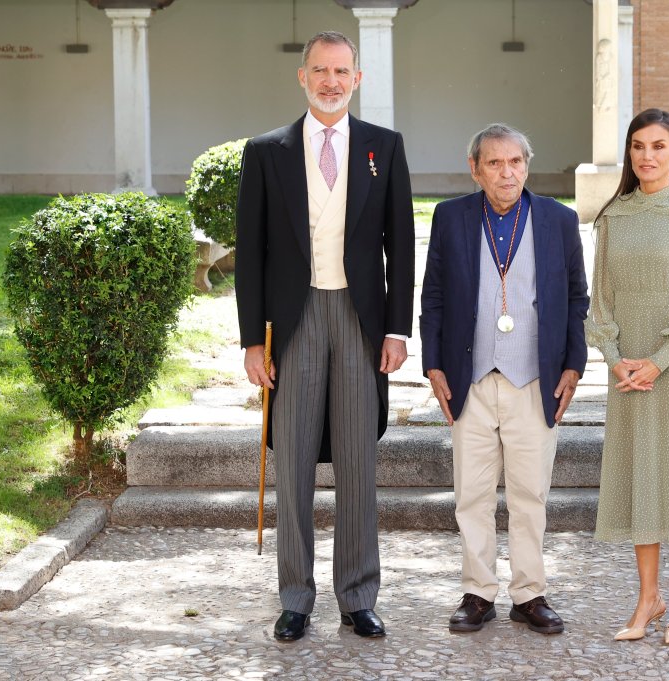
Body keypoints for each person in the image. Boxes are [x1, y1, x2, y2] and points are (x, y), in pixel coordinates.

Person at [235, 31, 415, 642]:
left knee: (359, 460)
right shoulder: (267, 152)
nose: (331, 80)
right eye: (320, 70)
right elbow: (252, 253)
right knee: (292, 460)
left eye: (342, 70)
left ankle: (358, 596)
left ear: (356, 79)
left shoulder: (383, 148)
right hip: (296, 317)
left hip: (362, 320)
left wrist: (396, 327)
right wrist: (252, 344)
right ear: (302, 77)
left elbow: (401, 244)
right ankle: (295, 598)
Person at [420, 124, 589, 635]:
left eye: (515, 161)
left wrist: (574, 366)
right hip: (469, 376)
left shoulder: (559, 220)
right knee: (471, 492)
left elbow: (577, 299)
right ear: (475, 169)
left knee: (529, 492)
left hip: (534, 378)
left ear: (527, 166)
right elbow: (433, 297)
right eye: (494, 163)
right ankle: (477, 592)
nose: (507, 172)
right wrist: (434, 365)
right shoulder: (451, 217)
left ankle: (529, 594)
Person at [585, 108, 669, 645]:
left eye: (659, 146)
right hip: (626, 373)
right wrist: (616, 358)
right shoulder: (613, 216)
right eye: (638, 146)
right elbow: (601, 300)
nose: (647, 156)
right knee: (641, 478)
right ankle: (648, 596)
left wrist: (658, 362)